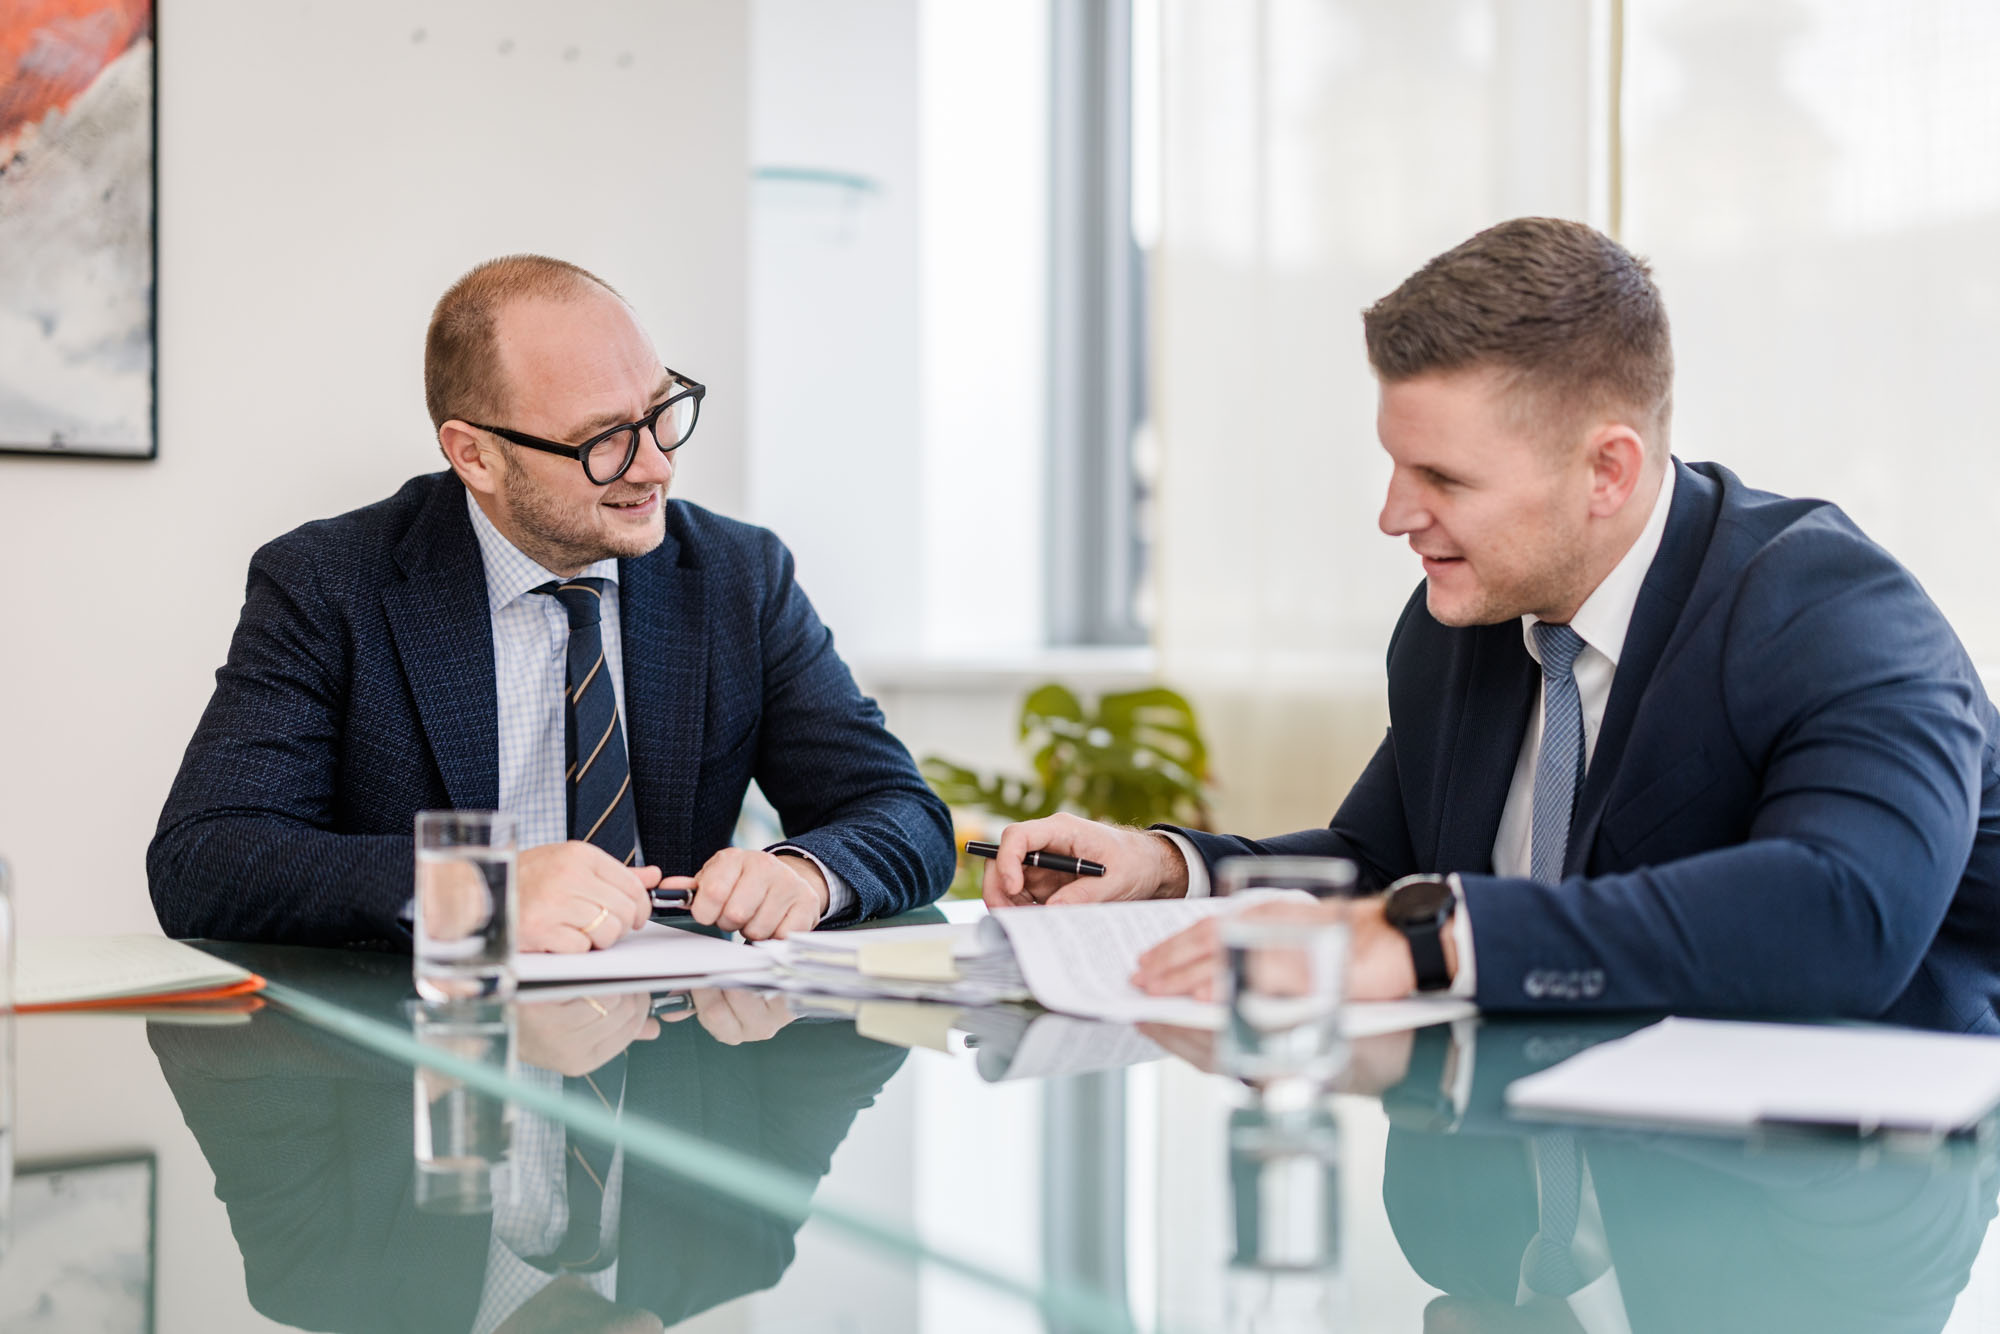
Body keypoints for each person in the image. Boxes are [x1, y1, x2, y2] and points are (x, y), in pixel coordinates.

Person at [983, 217, 2000, 1030]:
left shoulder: (1831, 608)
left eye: (1441, 477)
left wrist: (1434, 937)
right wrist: (1171, 868)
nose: (1392, 514)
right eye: (1393, 463)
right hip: (1536, 1183)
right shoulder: (1457, 621)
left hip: (1811, 1216)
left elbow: (1844, 917)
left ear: (1606, 469)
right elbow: (1384, 867)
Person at [150, 255, 953, 950]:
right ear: (477, 456)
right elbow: (206, 856)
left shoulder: (738, 576)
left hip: (674, 1066)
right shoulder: (331, 582)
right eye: (604, 440)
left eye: (661, 411)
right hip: (426, 1082)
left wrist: (807, 876)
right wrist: (482, 893)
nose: (656, 468)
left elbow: (901, 812)